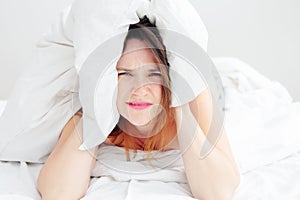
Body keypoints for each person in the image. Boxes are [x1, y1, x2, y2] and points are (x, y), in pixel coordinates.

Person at [37, 16, 240, 200]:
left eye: (153, 74)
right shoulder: (93, 107)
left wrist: (180, 106)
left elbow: (219, 192)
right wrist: (95, 110)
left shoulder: (194, 99)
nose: (139, 89)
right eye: (125, 74)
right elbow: (57, 194)